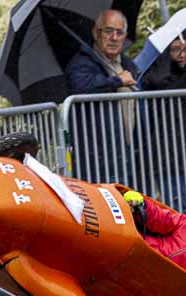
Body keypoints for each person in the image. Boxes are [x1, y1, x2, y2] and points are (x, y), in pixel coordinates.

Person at [65, 10, 139, 181]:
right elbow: (81, 87)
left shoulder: (129, 65)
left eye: (119, 32)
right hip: (97, 158)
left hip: (128, 154)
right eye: (108, 31)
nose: (114, 37)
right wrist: (116, 81)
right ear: (95, 32)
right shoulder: (81, 63)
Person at [140, 31, 186, 211]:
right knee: (180, 207)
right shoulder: (156, 76)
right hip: (169, 156)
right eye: (176, 49)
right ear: (165, 53)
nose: (182, 54)